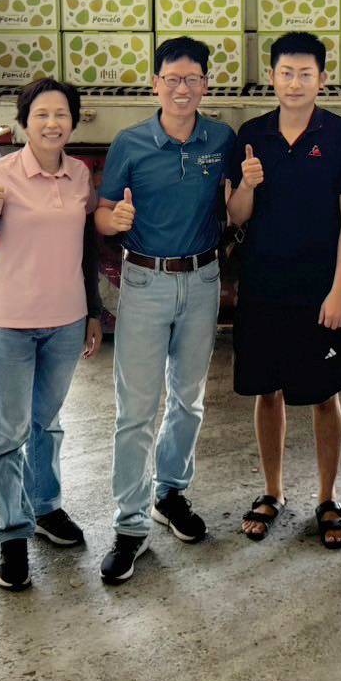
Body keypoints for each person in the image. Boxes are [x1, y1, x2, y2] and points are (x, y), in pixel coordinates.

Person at [94, 37, 236, 584]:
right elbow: (103, 213)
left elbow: (236, 206)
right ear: (155, 84)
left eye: (192, 79)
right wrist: (114, 221)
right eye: (172, 79)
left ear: (205, 85)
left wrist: (246, 189)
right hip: (145, 281)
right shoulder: (130, 142)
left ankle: (170, 494)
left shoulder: (220, 139)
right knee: (135, 409)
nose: (182, 88)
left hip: (202, 279)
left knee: (189, 399)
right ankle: (129, 525)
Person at [0, 78, 105, 592]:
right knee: (9, 433)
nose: (51, 123)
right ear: (24, 122)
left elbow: (86, 248)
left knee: (47, 424)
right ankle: (13, 534)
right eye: (41, 114)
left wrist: (94, 311)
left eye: (61, 114)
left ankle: (46, 508)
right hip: (8, 324)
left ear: (73, 121)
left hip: (66, 321)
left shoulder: (79, 175)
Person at [226, 32, 341, 550]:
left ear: (322, 79)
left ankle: (328, 498)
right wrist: (247, 184)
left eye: (306, 74)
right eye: (286, 72)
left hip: (318, 290)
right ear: (272, 76)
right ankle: (273, 491)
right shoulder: (252, 135)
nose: (295, 82)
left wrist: (340, 290)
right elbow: (236, 217)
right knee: (268, 391)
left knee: (324, 395)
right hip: (262, 287)